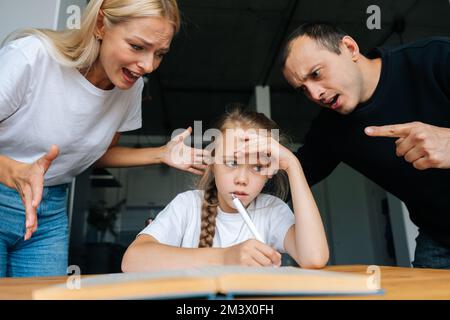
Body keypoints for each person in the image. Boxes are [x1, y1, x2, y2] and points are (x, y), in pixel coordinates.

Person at [0, 0, 208, 277]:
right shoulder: (32, 56)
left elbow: (97, 153)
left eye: (160, 53)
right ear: (100, 25)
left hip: (49, 212)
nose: (148, 65)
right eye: (137, 46)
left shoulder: (128, 89)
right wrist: (12, 170)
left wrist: (161, 153)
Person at [275, 22, 449, 269]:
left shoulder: (435, 58)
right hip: (440, 238)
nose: (315, 94)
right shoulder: (330, 129)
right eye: (303, 89)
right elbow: (287, 180)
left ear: (349, 47)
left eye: (316, 74)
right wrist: (219, 169)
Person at [121, 106, 329, 272]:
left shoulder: (271, 210)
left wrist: (293, 164)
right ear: (213, 164)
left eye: (257, 167)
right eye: (231, 163)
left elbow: (315, 258)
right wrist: (225, 257)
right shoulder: (188, 205)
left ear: (270, 173)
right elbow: (132, 261)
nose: (241, 179)